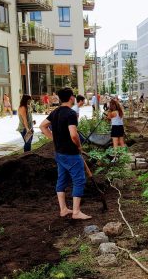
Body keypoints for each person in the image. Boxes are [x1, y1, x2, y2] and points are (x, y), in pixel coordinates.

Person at [39, 88, 91, 220]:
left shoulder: (55, 112)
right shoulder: (71, 113)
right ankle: (76, 212)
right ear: (71, 98)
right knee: (79, 180)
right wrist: (79, 146)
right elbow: (73, 134)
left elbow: (42, 126)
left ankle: (63, 209)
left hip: (59, 153)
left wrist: (54, 139)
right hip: (71, 153)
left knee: (62, 179)